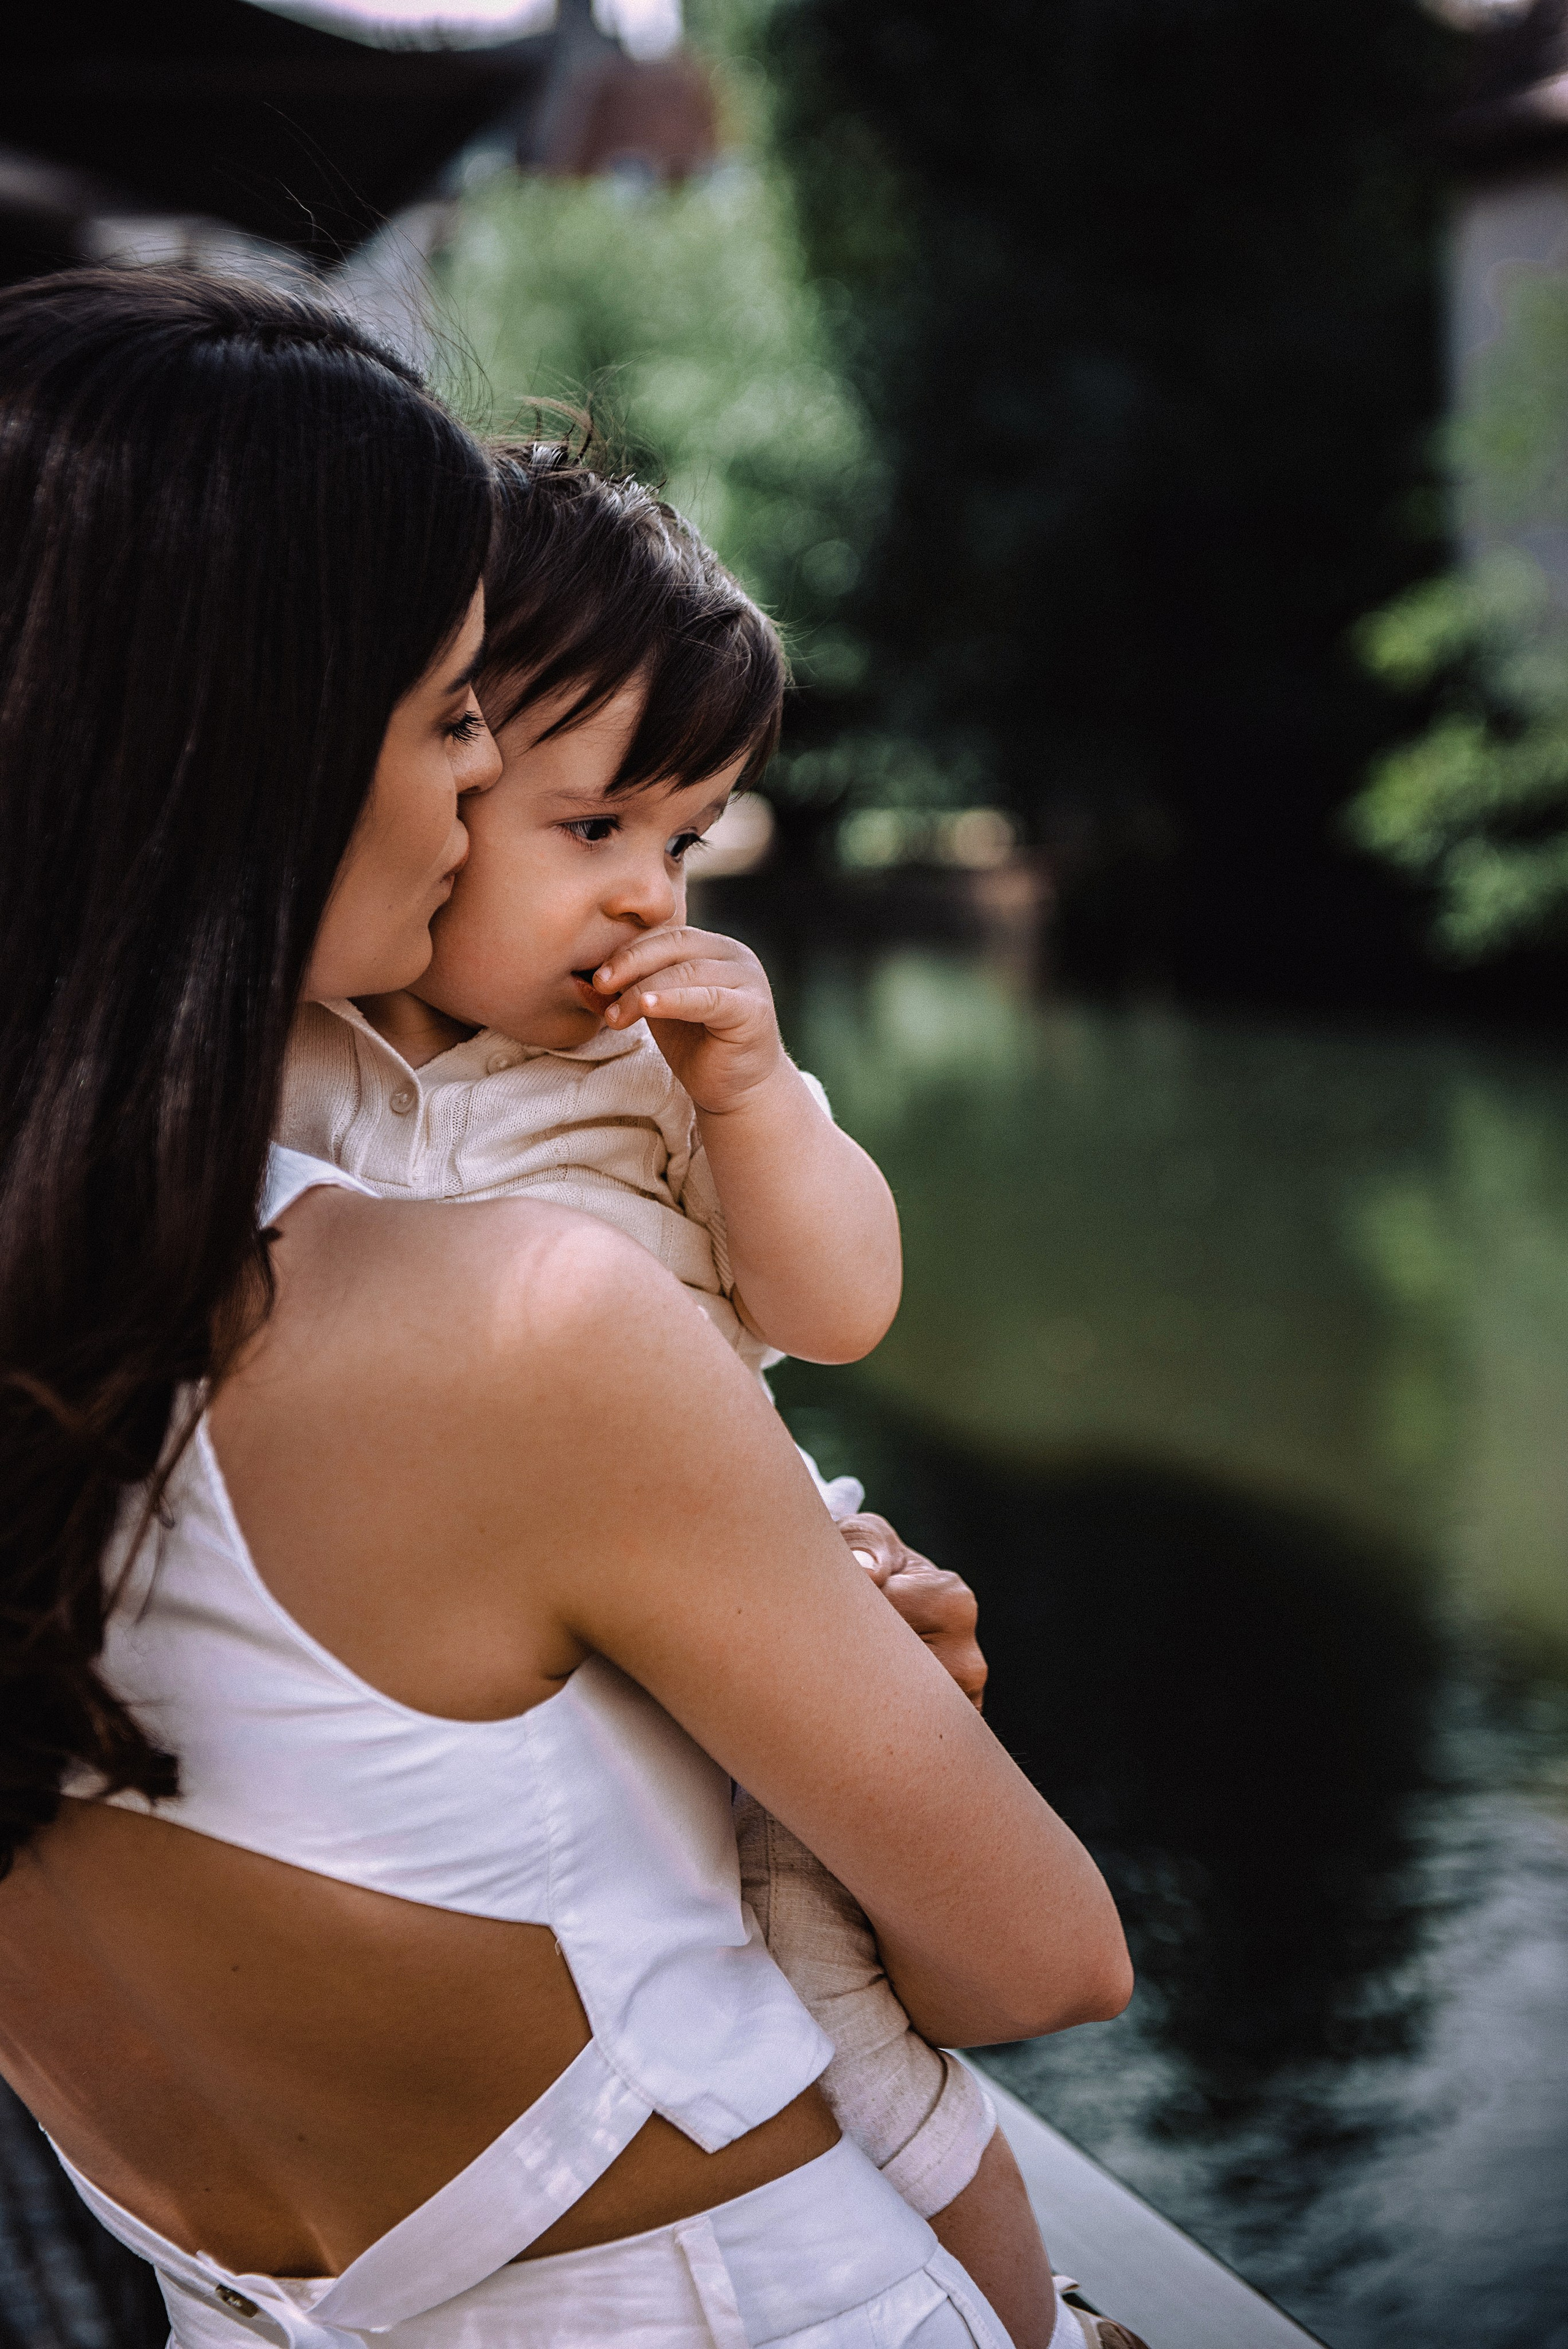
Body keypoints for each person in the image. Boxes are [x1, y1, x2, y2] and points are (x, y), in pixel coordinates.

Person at [0, 270, 1134, 2349]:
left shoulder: (95, 1308)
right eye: (450, 716)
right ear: (254, 739)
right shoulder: (519, 1321)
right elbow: (1045, 1962)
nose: (471, 795)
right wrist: (814, 1674)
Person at [277, 441, 1060, 2347]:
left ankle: (1025, 2316)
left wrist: (757, 1102)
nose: (648, 896)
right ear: (440, 783)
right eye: (593, 826)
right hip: (495, 1699)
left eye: (686, 840)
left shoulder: (655, 1074)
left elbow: (841, 1303)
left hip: (742, 1638)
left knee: (856, 2036)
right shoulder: (280, 1068)